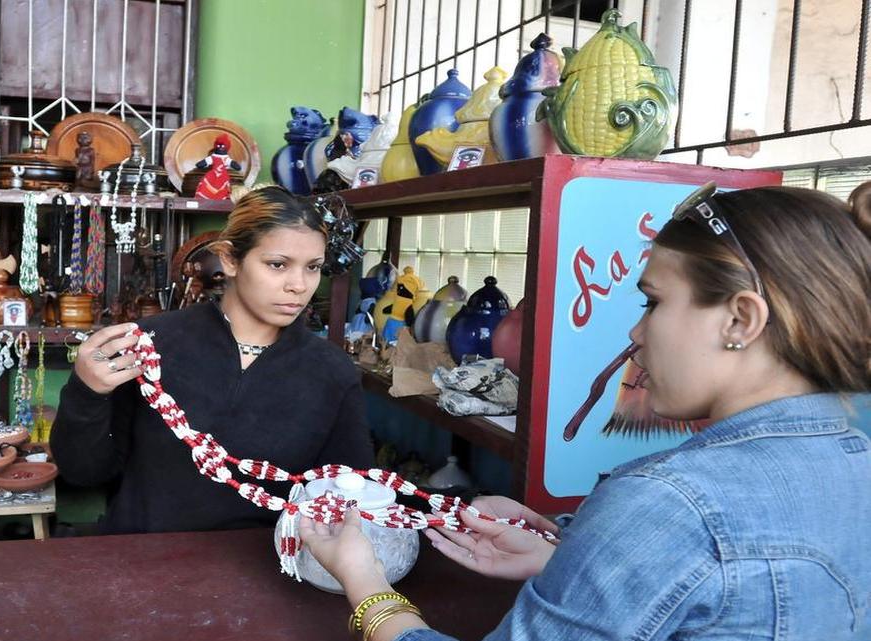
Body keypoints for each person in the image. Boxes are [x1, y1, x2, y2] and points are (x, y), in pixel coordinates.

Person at [301, 183, 871, 641]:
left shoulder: (671, 504)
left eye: (653, 302)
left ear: (741, 320)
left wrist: (366, 586)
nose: (636, 332)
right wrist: (565, 551)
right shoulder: (857, 463)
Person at [51, 186, 373, 534]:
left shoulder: (330, 371)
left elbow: (349, 497)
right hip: (140, 556)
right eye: (277, 265)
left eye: (313, 267)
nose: (299, 285)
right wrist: (86, 392)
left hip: (264, 561)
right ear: (230, 259)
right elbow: (83, 473)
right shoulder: (152, 346)